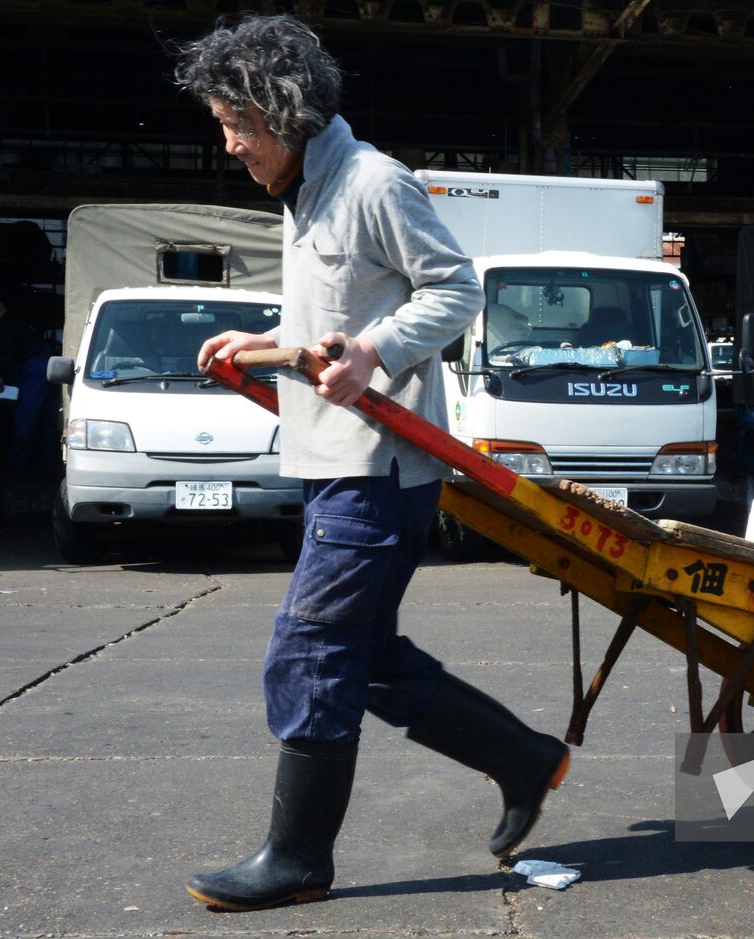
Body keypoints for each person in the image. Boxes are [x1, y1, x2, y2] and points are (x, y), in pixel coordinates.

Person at [176, 14, 570, 912]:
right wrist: (267, 343)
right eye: (223, 123)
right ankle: (524, 757)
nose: (230, 143)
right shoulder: (307, 194)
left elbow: (456, 288)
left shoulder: (370, 183)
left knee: (310, 647)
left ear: (288, 111)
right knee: (366, 655)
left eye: (239, 123)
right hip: (333, 462)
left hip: (378, 471)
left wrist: (378, 355)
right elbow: (332, 323)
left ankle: (298, 858)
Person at [0, 299, 58, 469]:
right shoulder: (18, 324)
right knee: (47, 417)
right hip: (47, 368)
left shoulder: (5, 325)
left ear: (0, 312)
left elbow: (8, 351)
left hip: (35, 371)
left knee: (25, 415)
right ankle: (46, 462)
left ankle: (17, 462)